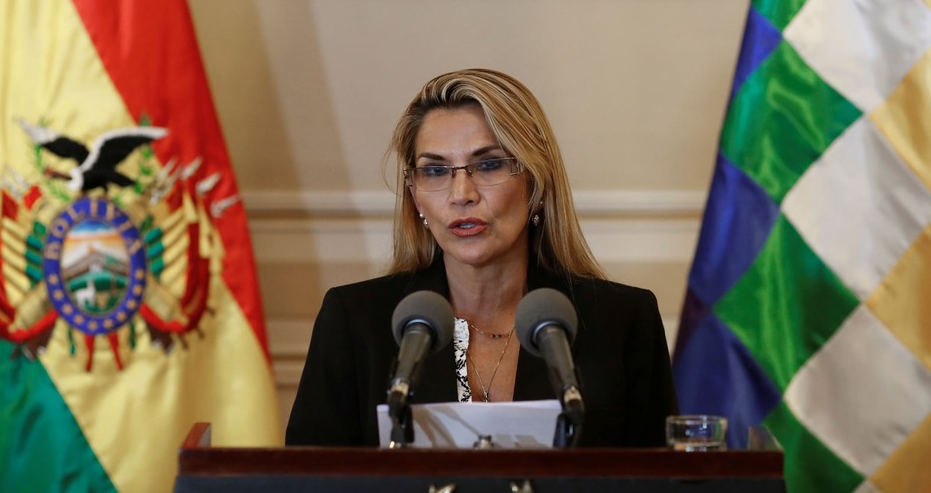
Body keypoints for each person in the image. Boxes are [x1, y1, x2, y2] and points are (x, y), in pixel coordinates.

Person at [285, 68, 677, 447]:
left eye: (489, 164)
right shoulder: (357, 320)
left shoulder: (622, 320)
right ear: (415, 195)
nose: (461, 193)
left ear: (535, 182)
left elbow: (661, 482)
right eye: (435, 171)